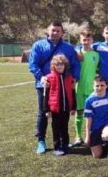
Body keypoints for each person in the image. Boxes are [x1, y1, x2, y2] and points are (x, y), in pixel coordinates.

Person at [29, 22, 80, 154]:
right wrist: (41, 77)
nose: (55, 33)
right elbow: (33, 64)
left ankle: (63, 142)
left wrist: (75, 78)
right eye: (53, 30)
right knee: (43, 112)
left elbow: (75, 64)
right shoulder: (38, 45)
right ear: (48, 30)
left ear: (62, 32)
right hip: (45, 86)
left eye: (58, 31)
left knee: (63, 114)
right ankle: (41, 140)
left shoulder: (68, 47)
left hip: (63, 86)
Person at [43, 54, 77, 156]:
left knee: (65, 127)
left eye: (61, 64)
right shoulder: (49, 78)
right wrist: (46, 109)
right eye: (57, 64)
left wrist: (73, 107)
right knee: (56, 128)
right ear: (53, 66)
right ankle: (57, 147)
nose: (59, 66)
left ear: (65, 65)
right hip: (55, 109)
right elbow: (46, 95)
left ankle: (65, 145)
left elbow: (73, 93)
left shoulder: (69, 77)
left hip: (66, 108)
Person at [73, 29, 99, 147]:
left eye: (88, 39)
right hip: (79, 87)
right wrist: (77, 50)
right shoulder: (77, 54)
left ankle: (93, 135)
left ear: (92, 40)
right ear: (80, 41)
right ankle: (78, 136)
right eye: (84, 40)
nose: (86, 42)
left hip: (92, 89)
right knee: (79, 111)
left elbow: (98, 69)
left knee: (93, 113)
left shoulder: (96, 55)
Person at [84, 76, 108, 159]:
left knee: (107, 135)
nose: (99, 88)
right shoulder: (89, 101)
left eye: (102, 85)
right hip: (95, 128)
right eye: (97, 86)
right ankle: (104, 145)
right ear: (93, 86)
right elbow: (88, 119)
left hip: (107, 124)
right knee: (97, 155)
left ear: (106, 86)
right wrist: (87, 136)